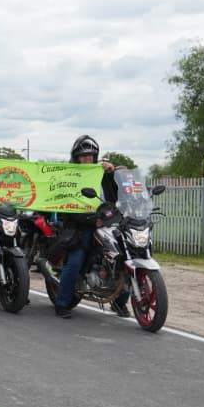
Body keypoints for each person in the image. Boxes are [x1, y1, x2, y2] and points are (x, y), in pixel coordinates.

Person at [53, 135, 125, 319]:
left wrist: (115, 172)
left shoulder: (101, 175)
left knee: (124, 257)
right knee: (75, 262)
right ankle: (62, 303)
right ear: (76, 158)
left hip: (107, 225)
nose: (87, 159)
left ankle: (119, 302)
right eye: (83, 156)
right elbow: (67, 208)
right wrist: (92, 221)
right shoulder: (69, 178)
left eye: (90, 156)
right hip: (80, 227)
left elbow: (117, 193)